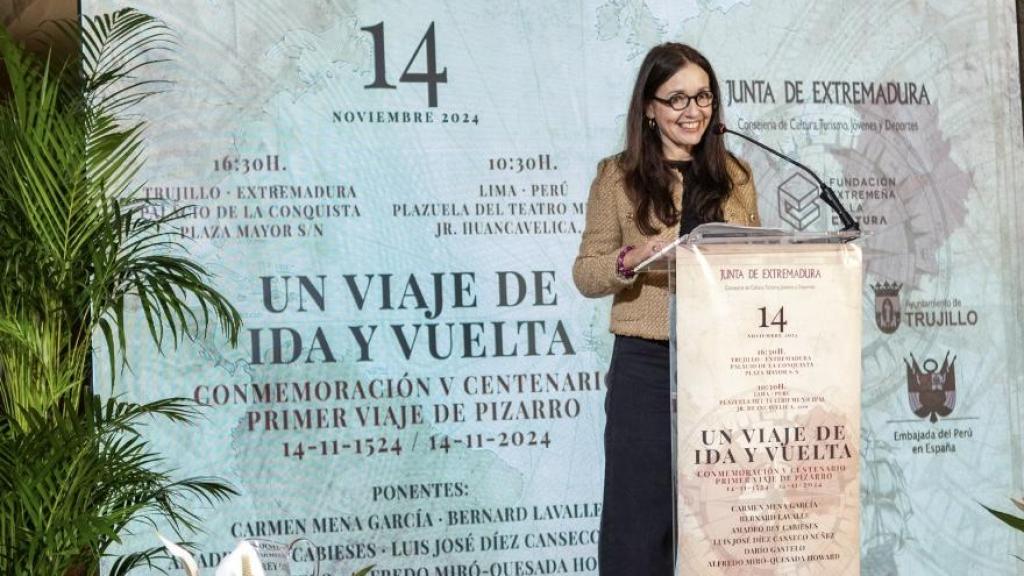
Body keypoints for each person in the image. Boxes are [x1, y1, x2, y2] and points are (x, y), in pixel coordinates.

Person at [572, 43, 760, 574]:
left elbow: (753, 262)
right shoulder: (617, 176)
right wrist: (631, 258)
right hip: (647, 367)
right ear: (649, 108)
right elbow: (587, 272)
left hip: (723, 367)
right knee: (639, 525)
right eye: (676, 98)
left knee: (723, 524)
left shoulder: (736, 175)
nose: (693, 110)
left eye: (703, 96)